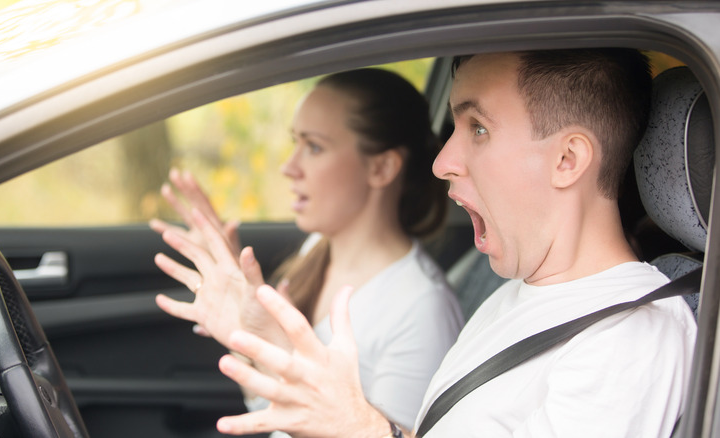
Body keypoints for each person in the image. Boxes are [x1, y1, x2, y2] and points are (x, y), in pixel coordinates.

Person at [211, 49, 698, 438]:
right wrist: (273, 349)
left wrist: (361, 431)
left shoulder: (628, 339)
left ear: (568, 160)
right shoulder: (521, 289)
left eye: (478, 128)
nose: (442, 160)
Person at [150, 68, 465, 431]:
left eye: (313, 146)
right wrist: (243, 327)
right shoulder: (319, 248)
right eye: (294, 142)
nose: (289, 167)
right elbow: (273, 412)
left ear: (381, 167)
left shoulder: (422, 311)